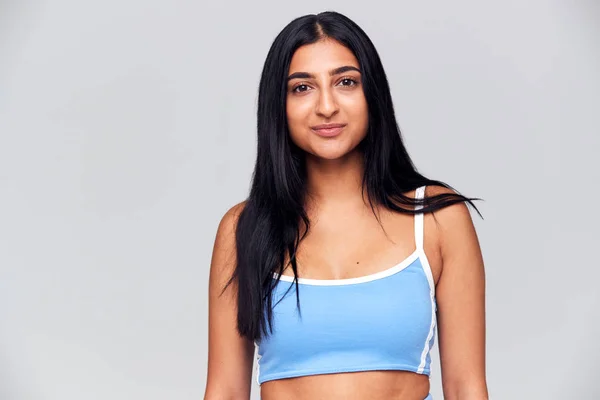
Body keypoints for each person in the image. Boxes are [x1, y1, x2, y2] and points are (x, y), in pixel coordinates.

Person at [204, 10, 488, 400]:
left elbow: (465, 387)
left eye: (346, 82)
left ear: (372, 92)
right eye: (302, 88)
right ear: (278, 105)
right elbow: (224, 391)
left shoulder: (438, 219)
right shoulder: (244, 228)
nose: (326, 107)